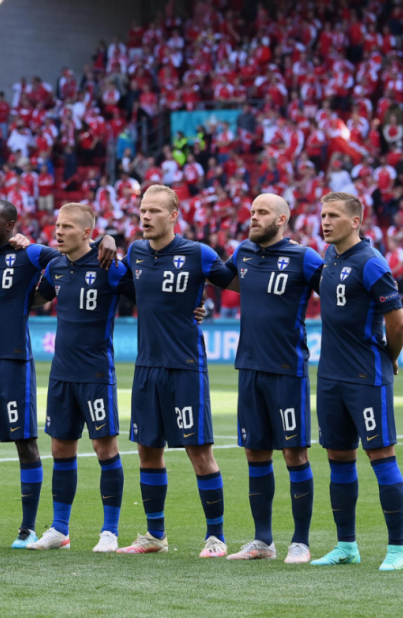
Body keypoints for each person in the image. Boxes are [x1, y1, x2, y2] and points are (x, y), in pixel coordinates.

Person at [0, 201, 117, 548]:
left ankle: (29, 529)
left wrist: (108, 237)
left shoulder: (33, 255)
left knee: (26, 442)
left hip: (16, 361)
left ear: (11, 225)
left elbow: (80, 259)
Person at [116, 185, 236, 558]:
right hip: (146, 367)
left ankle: (216, 537)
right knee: (148, 451)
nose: (146, 216)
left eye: (154, 210)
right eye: (142, 210)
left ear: (173, 215)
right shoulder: (135, 252)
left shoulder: (198, 254)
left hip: (185, 366)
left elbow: (235, 282)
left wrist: (207, 306)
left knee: (199, 453)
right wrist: (104, 239)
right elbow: (127, 286)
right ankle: (155, 535)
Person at [221, 194, 323, 564]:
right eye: (252, 212)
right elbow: (226, 281)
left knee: (294, 453)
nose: (253, 217)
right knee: (255, 452)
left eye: (262, 212)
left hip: (286, 370)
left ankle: (301, 542)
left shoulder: (304, 257)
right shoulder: (243, 252)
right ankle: (263, 541)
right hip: (249, 367)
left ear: (281, 219)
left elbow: (337, 295)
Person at [27, 204, 134, 552]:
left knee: (105, 448)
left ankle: (110, 531)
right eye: (57, 226)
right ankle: (59, 529)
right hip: (61, 373)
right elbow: (34, 297)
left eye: (67, 227)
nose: (58, 232)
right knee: (60, 447)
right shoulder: (55, 267)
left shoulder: (110, 266)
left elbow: (147, 296)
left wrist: (194, 307)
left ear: (87, 233)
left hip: (95, 373)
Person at [311, 192, 403, 572]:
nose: (325, 222)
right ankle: (346, 545)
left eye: (333, 215)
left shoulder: (371, 263)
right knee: (338, 457)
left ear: (355, 221)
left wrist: (390, 357)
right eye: (323, 215)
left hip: (365, 377)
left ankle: (397, 550)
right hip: (330, 377)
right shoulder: (329, 257)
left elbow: (397, 323)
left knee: (381, 457)